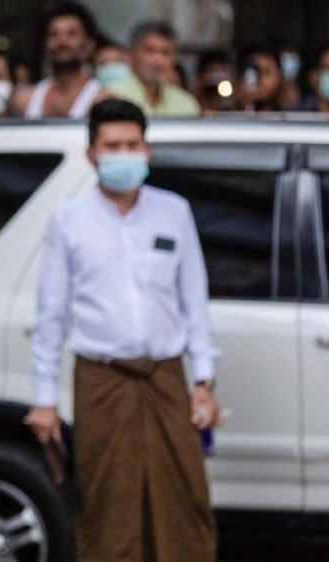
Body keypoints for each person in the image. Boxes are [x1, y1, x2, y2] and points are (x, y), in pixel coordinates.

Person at [26, 99, 219, 561]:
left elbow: (194, 301)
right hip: (101, 379)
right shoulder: (69, 220)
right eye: (113, 145)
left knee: (183, 496)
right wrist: (45, 399)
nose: (124, 154)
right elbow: (51, 315)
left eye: (133, 144)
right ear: (92, 153)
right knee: (108, 499)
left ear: (148, 150)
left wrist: (204, 382)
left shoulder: (174, 212)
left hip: (167, 375)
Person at [12, 2, 107, 119]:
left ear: (89, 45)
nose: (62, 41)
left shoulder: (103, 99)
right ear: (45, 45)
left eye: (71, 34)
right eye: (54, 34)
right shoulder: (24, 100)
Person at [107, 21, 201, 116]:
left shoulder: (186, 103)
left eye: (166, 53)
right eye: (149, 51)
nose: (158, 61)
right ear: (131, 54)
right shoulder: (112, 95)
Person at [235, 45, 284, 113]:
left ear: (279, 76)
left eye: (267, 72)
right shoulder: (223, 116)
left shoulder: (291, 117)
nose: (260, 79)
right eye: (253, 72)